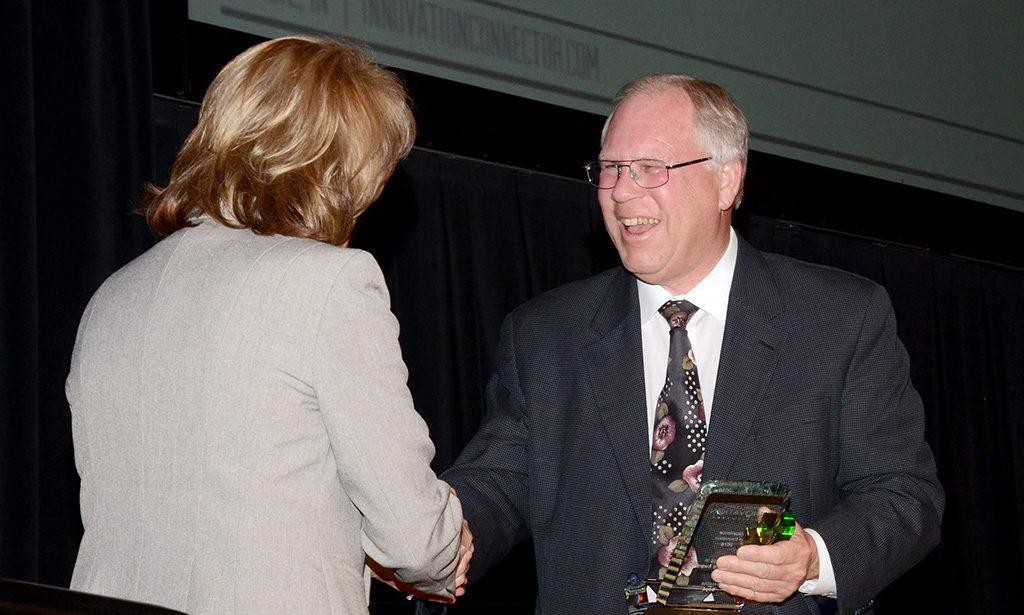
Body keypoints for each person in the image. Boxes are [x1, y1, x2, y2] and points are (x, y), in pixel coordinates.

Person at [438, 74, 943, 615]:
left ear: (727, 180)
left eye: (651, 169)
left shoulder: (839, 320)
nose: (622, 192)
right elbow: (499, 482)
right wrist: (441, 535)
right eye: (609, 169)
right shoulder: (546, 335)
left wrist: (812, 558)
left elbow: (903, 498)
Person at [66, 36, 472, 615]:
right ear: (334, 168)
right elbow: (412, 535)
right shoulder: (332, 283)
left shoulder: (112, 297)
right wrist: (443, 543)